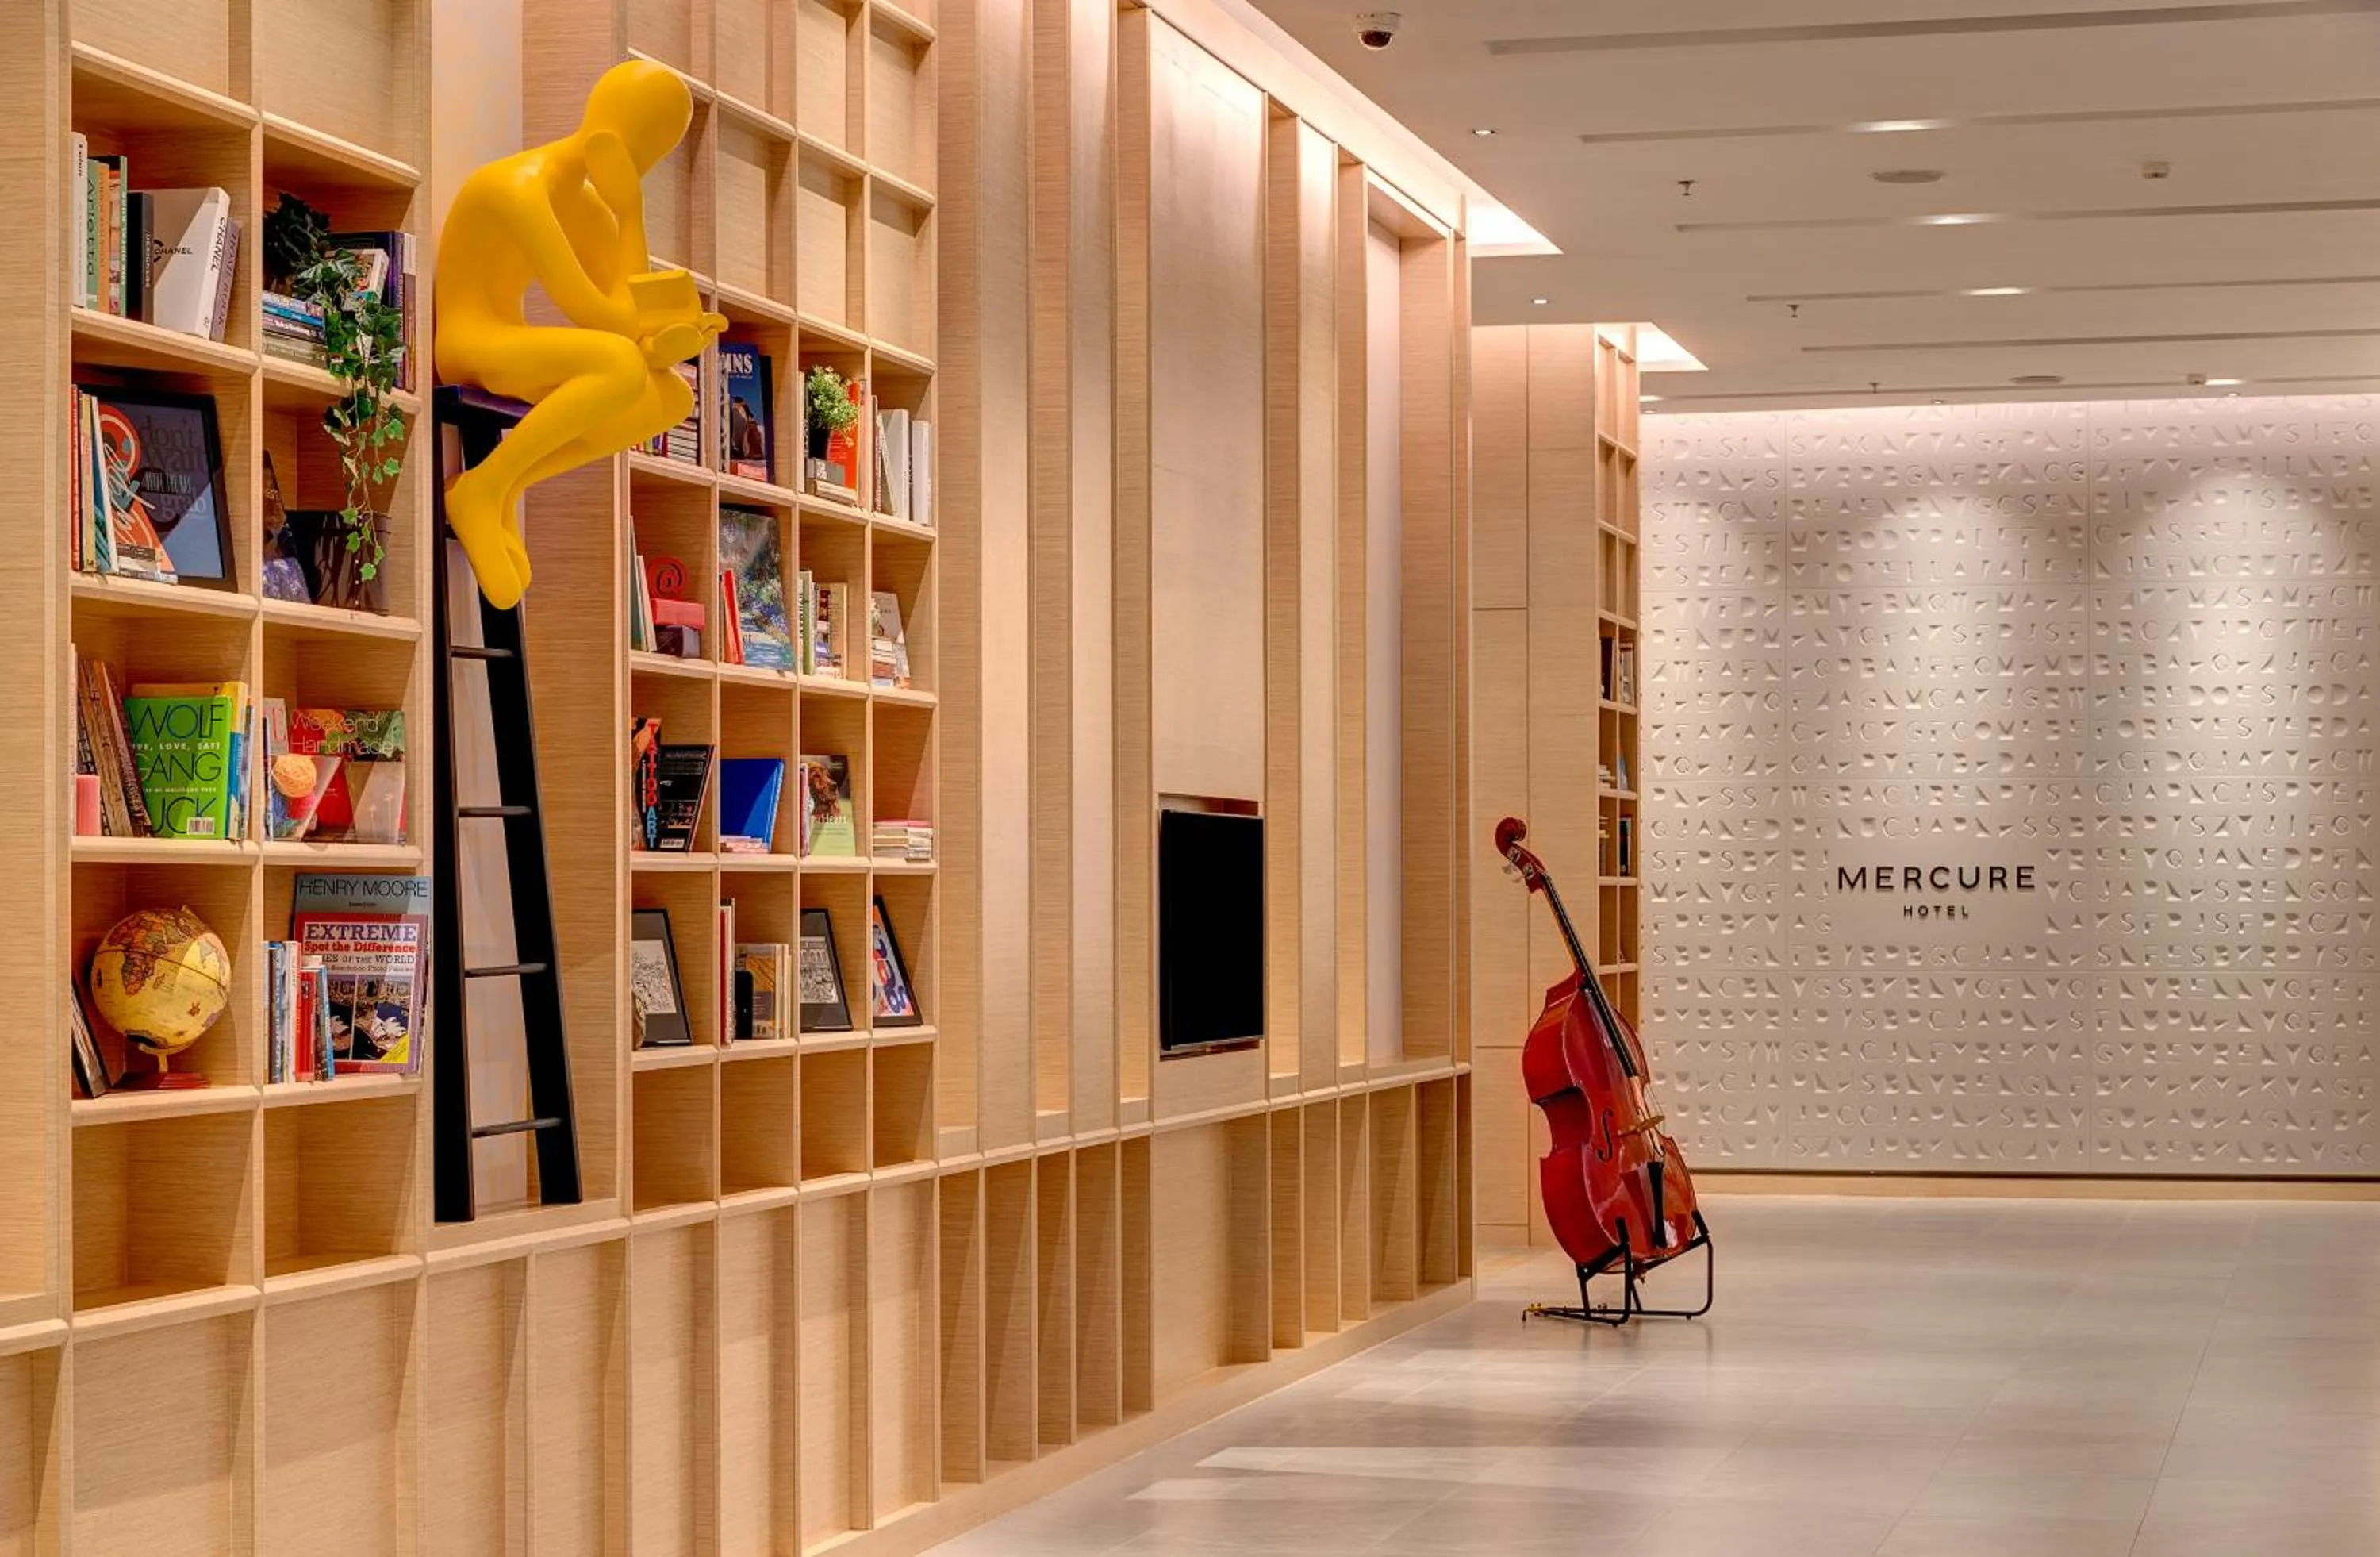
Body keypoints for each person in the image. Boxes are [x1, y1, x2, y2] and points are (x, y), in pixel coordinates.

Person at [435, 60, 727, 609]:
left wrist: (665, 342)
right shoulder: (517, 188)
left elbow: (627, 305)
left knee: (671, 394)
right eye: (643, 156)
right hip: (470, 341)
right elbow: (602, 316)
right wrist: (631, 215)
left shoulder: (588, 208)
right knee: (619, 362)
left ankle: (509, 484)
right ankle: (486, 486)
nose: (636, 174)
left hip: (512, 344)